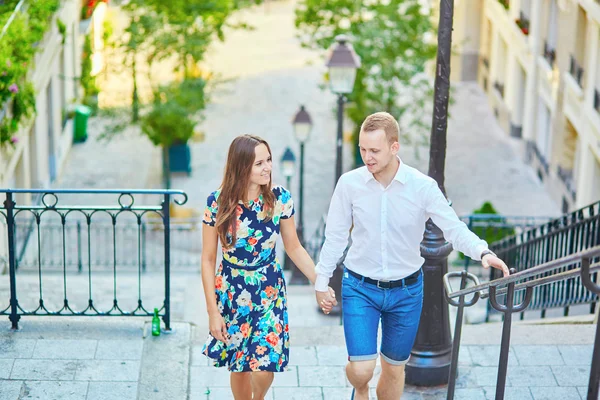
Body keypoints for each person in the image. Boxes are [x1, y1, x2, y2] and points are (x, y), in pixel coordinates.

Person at [314, 112, 510, 400]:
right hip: (359, 287)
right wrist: (322, 281)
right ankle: (360, 390)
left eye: (374, 151)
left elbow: (453, 228)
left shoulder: (422, 187)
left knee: (394, 370)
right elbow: (335, 236)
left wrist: (483, 251)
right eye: (363, 149)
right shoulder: (349, 184)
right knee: (362, 370)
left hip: (406, 292)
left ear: (395, 147)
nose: (367, 157)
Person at [201, 134, 337, 400]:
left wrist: (319, 283)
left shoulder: (280, 198)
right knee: (240, 366)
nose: (268, 167)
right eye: (259, 163)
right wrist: (212, 312)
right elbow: (207, 260)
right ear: (242, 167)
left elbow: (294, 247)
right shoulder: (216, 202)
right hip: (232, 290)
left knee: (264, 366)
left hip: (268, 289)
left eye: (269, 160)